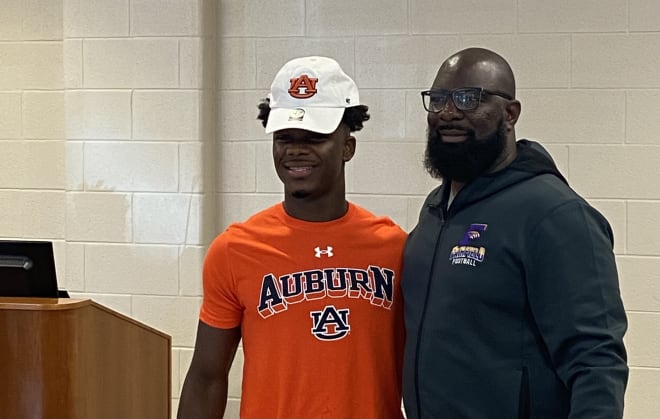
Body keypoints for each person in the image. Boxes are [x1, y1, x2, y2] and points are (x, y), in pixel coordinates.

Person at [401, 47, 628, 419]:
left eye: (468, 98)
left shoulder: (555, 215)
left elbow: (596, 362)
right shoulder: (436, 208)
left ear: (510, 113)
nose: (448, 112)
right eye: (438, 99)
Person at [178, 56, 406, 419]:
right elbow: (207, 378)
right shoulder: (235, 249)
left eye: (314, 138)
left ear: (347, 147)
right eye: (285, 137)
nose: (296, 150)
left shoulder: (394, 247)